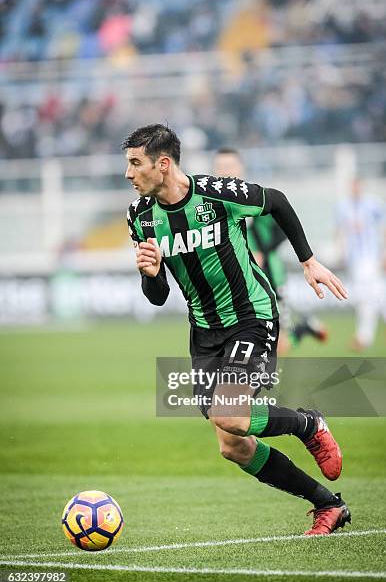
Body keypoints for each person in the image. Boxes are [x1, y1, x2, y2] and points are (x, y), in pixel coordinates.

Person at [124, 123, 350, 536]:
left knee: (231, 414)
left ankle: (308, 425)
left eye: (135, 163)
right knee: (233, 445)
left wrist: (308, 260)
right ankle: (328, 505)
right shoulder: (139, 216)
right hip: (204, 331)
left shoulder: (215, 192)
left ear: (163, 163)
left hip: (251, 315)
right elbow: (156, 295)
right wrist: (151, 275)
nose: (128, 173)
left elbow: (277, 202)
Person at [213, 147, 328, 353]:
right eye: (220, 167)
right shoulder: (211, 205)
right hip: (237, 284)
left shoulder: (256, 198)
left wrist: (263, 252)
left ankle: (302, 329)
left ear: (241, 168)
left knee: (278, 345)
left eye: (229, 166)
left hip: (270, 276)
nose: (225, 172)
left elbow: (284, 228)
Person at [336, 177, 386, 350]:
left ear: (362, 186)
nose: (355, 189)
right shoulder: (343, 206)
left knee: (365, 297)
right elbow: (340, 231)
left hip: (370, 256)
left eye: (358, 185)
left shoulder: (373, 204)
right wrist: (342, 253)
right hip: (354, 258)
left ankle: (364, 338)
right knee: (374, 292)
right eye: (353, 186)